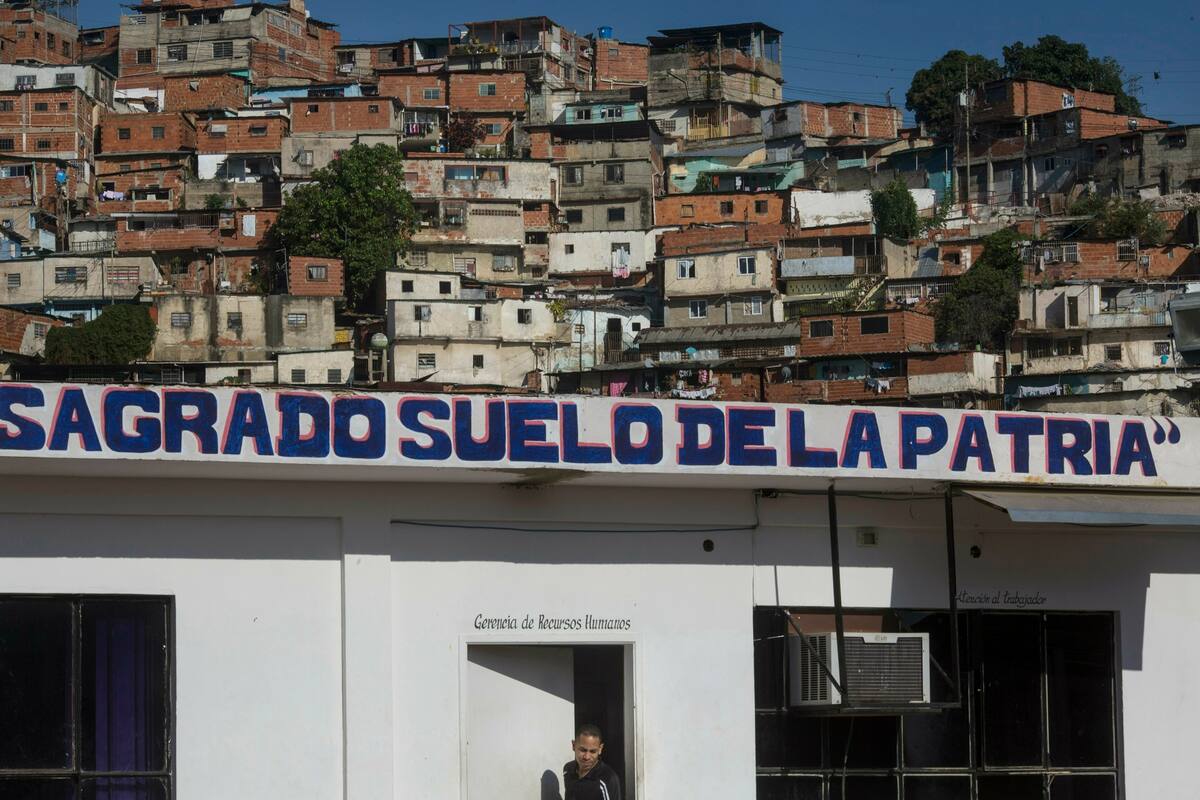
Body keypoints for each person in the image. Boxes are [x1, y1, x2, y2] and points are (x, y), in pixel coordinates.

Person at [563, 723, 622, 800]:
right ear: (574, 745)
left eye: (592, 751)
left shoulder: (607, 779)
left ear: (600, 749)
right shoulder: (568, 770)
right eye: (583, 750)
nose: (587, 757)